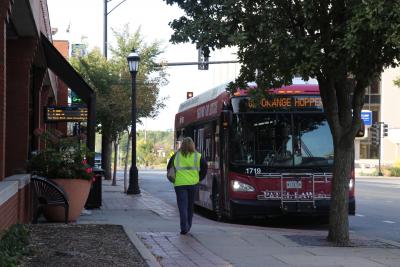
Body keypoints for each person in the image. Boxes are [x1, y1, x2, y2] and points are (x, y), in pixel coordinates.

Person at [167, 137, 207, 235]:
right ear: (192, 145)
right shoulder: (198, 156)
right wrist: (198, 179)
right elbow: (204, 169)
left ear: (182, 145)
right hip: (193, 184)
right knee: (190, 206)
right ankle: (188, 225)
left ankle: (184, 227)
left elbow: (169, 167)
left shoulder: (176, 156)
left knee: (182, 207)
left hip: (179, 184)